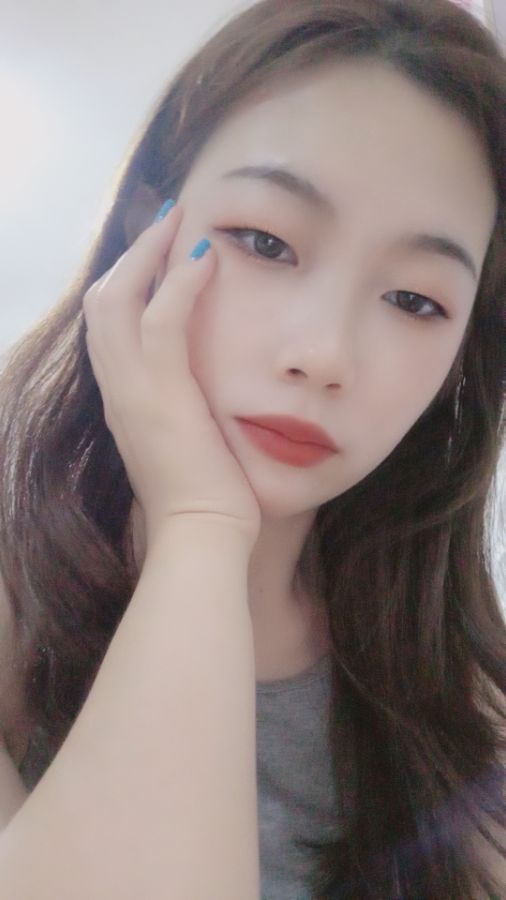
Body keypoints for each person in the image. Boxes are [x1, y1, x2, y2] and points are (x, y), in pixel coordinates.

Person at [0, 0, 504, 895]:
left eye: (416, 300)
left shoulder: (452, 672)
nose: (325, 354)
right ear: (144, 230)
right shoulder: (15, 607)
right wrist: (200, 526)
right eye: (265, 241)